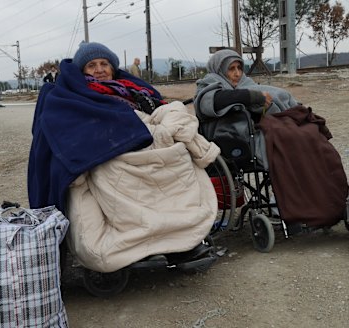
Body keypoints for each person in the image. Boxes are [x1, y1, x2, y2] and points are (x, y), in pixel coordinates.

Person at [28, 41, 218, 272]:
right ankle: (142, 246)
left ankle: (181, 243)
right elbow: (70, 129)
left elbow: (159, 109)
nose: (99, 69)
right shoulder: (73, 96)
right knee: (115, 176)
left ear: (113, 67)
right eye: (91, 65)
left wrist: (162, 128)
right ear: (82, 71)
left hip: (151, 146)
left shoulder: (133, 89)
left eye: (104, 63)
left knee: (180, 161)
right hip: (109, 154)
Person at [194, 49, 299, 169]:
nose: (237, 74)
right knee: (288, 142)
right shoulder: (209, 84)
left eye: (239, 67)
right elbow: (214, 100)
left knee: (302, 134)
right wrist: (252, 96)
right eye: (231, 68)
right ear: (219, 70)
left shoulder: (244, 82)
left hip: (253, 131)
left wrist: (264, 106)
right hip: (230, 141)